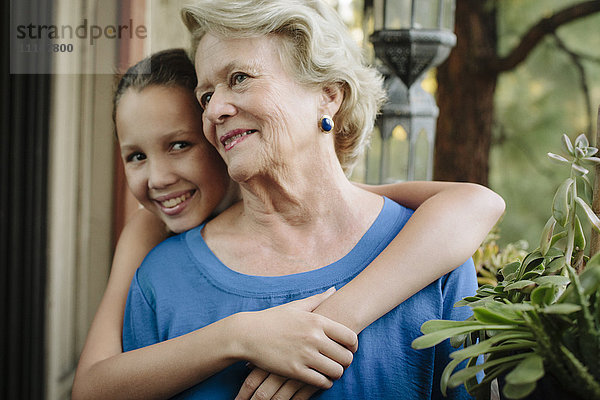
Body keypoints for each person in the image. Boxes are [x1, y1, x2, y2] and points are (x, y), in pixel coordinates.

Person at [115, 1, 505, 399]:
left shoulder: (434, 257)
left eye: (239, 78)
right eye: (205, 96)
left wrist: (331, 326)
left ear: (328, 94)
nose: (214, 109)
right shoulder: (161, 277)